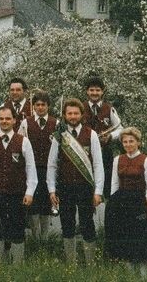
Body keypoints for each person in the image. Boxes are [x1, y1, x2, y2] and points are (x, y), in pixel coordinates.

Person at [46, 98, 104, 264]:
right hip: (65, 187)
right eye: (69, 113)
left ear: (82, 114)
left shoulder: (91, 134)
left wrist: (98, 191)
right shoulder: (59, 135)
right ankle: (71, 264)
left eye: (76, 113)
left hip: (85, 187)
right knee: (67, 224)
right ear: (64, 115)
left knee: (87, 224)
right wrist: (51, 190)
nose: (73, 116)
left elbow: (98, 165)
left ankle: (90, 263)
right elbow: (52, 165)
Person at [0, 106, 37, 264]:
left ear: (14, 120)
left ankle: (17, 265)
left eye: (8, 118)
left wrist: (29, 192)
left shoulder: (24, 142)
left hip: (17, 193)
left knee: (17, 230)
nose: (4, 121)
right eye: (1, 119)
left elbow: (31, 170)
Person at [105, 127, 147, 275]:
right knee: (125, 234)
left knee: (141, 236)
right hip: (122, 201)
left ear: (138, 142)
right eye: (125, 142)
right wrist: (114, 204)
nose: (128, 144)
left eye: (131, 141)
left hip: (139, 202)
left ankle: (143, 269)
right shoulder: (117, 159)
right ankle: (129, 267)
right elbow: (114, 183)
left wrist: (146, 207)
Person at [18, 91, 58, 240]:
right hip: (32, 169)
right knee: (33, 204)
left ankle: (45, 237)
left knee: (46, 203)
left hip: (49, 170)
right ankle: (35, 238)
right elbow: (19, 143)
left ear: (48, 106)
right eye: (37, 105)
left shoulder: (56, 123)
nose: (40, 108)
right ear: (33, 106)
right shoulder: (26, 123)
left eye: (43, 105)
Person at [82, 76, 122, 197]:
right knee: (86, 187)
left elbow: (120, 128)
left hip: (104, 152)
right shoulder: (80, 108)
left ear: (102, 91)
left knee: (106, 187)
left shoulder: (109, 108)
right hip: (84, 153)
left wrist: (110, 136)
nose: (94, 93)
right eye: (92, 90)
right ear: (87, 91)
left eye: (98, 90)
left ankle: (104, 214)